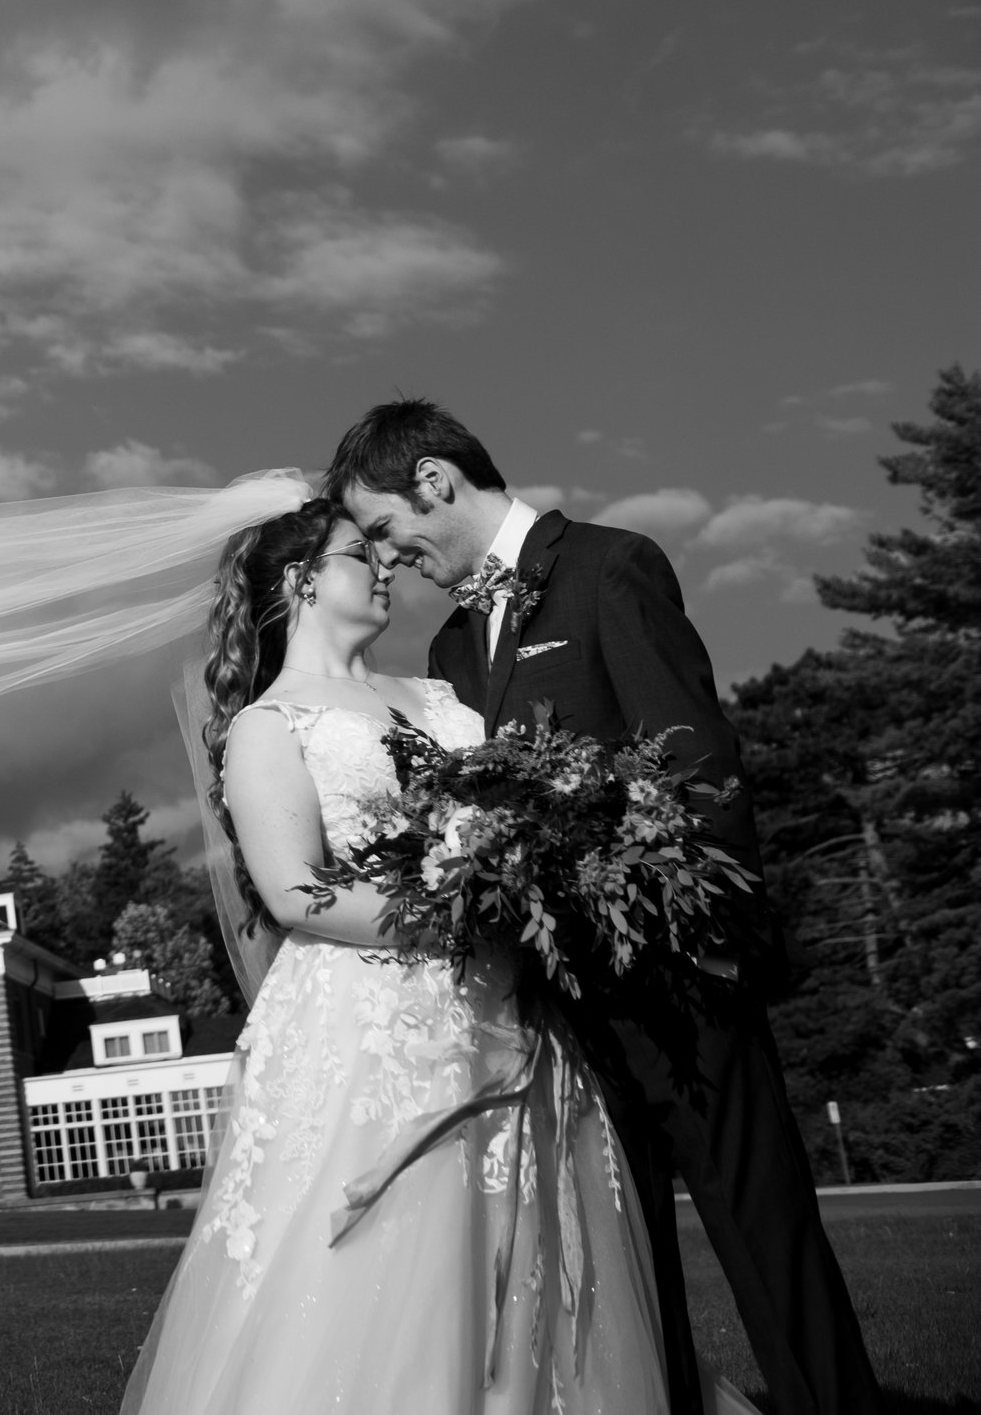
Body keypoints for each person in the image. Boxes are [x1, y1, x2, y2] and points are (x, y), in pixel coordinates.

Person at [328, 400, 879, 1415]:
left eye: (384, 528)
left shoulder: (609, 567)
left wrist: (705, 947)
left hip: (680, 981)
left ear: (436, 483)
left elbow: (695, 763)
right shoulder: (453, 645)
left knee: (765, 1238)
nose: (387, 557)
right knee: (623, 1271)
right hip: (561, 1012)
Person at [123, 498, 673, 1414]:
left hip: (507, 1009)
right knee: (390, 1265)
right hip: (369, 1033)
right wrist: (458, 910)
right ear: (302, 582)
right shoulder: (273, 724)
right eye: (358, 553)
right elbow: (297, 889)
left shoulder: (441, 699)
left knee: (529, 1256)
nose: (384, 566)